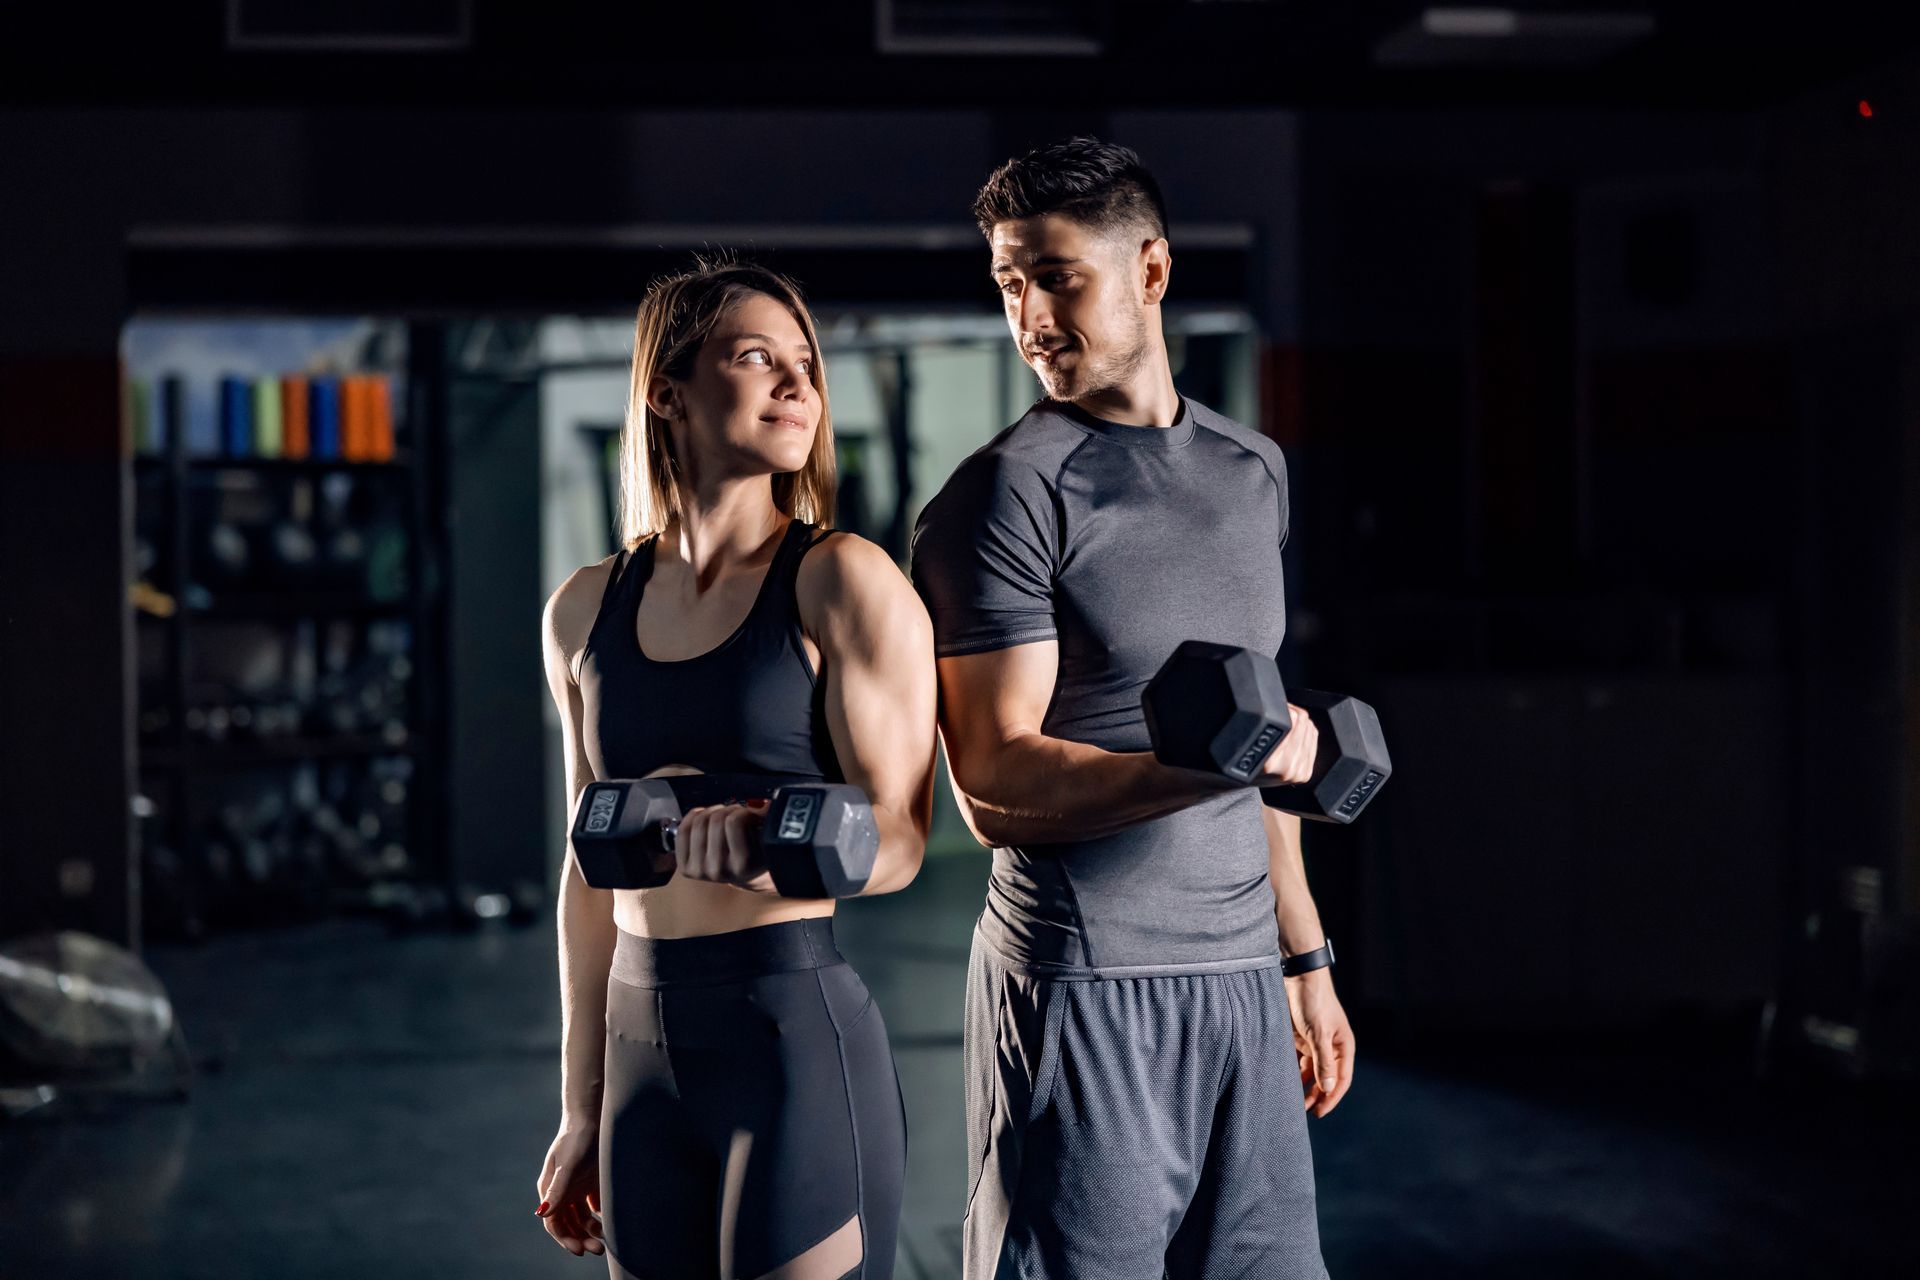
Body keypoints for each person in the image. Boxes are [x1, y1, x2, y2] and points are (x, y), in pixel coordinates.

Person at [910, 138, 1354, 1279]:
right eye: (1009, 282)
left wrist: (1303, 957)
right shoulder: (1003, 493)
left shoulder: (1252, 469)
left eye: (1057, 276)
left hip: (1244, 981)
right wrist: (1224, 763)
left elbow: (1253, 727)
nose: (1030, 315)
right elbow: (996, 782)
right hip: (1085, 983)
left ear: (1150, 272)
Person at [535, 258, 936, 1280]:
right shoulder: (583, 609)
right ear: (666, 389)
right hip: (636, 1055)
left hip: (788, 1040)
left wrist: (777, 856)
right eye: (757, 357)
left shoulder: (842, 578)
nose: (797, 385)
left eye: (806, 364)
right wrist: (581, 1104)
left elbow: (900, 836)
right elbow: (588, 876)